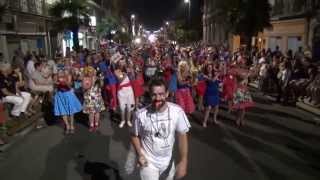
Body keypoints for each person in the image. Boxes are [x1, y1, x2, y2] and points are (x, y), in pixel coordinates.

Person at [131, 79, 190, 180]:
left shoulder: (177, 112)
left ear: (167, 94)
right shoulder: (140, 115)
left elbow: (182, 136)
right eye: (154, 94)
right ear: (149, 95)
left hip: (168, 161)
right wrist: (140, 154)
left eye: (161, 94)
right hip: (149, 162)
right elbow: (134, 135)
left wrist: (184, 160)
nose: (157, 98)